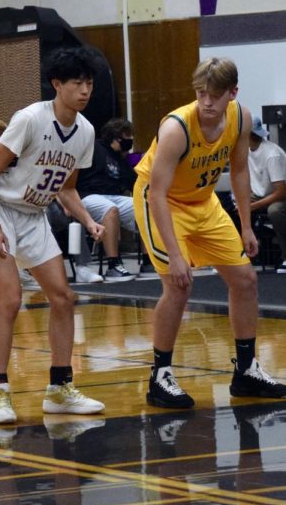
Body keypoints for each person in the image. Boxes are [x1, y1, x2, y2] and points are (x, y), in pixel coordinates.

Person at [134, 58, 286, 408]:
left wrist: (246, 225)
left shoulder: (241, 118)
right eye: (201, 93)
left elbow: (239, 171)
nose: (206, 102)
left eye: (215, 95)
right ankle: (160, 376)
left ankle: (246, 370)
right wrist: (175, 255)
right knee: (178, 285)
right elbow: (156, 193)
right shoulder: (176, 128)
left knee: (246, 280)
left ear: (233, 93)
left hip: (203, 203)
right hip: (163, 201)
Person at [0, 47, 107, 424]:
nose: (84, 90)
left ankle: (59, 388)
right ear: (57, 84)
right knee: (9, 300)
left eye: (89, 83)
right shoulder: (29, 119)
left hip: (33, 214)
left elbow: (67, 188)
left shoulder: (86, 131)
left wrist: (87, 220)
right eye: (77, 82)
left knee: (63, 297)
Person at [76, 117, 145, 281]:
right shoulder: (93, 148)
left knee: (145, 206)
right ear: (115, 139)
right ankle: (114, 265)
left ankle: (149, 260)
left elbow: (134, 184)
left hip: (113, 197)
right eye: (126, 140)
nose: (129, 144)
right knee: (109, 209)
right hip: (88, 196)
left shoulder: (121, 159)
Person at [245, 114, 286, 273]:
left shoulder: (271, 155)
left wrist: (255, 205)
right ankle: (238, 255)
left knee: (275, 211)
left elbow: (281, 192)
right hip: (262, 194)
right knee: (232, 207)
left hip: (280, 195)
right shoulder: (246, 151)